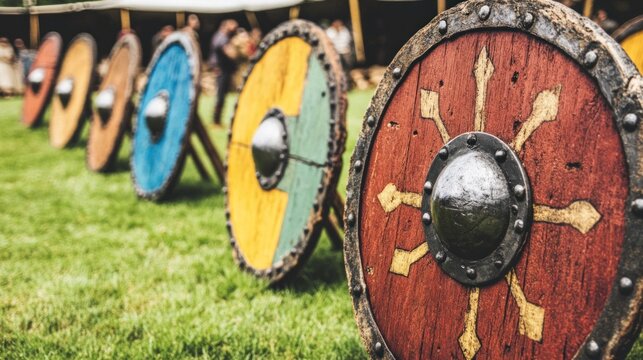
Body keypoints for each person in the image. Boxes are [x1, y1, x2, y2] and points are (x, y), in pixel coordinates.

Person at [208, 19, 238, 126]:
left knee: (222, 96)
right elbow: (230, 53)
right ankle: (216, 121)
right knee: (220, 96)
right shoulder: (221, 37)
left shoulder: (223, 37)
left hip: (224, 70)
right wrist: (236, 49)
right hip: (221, 70)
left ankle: (217, 121)